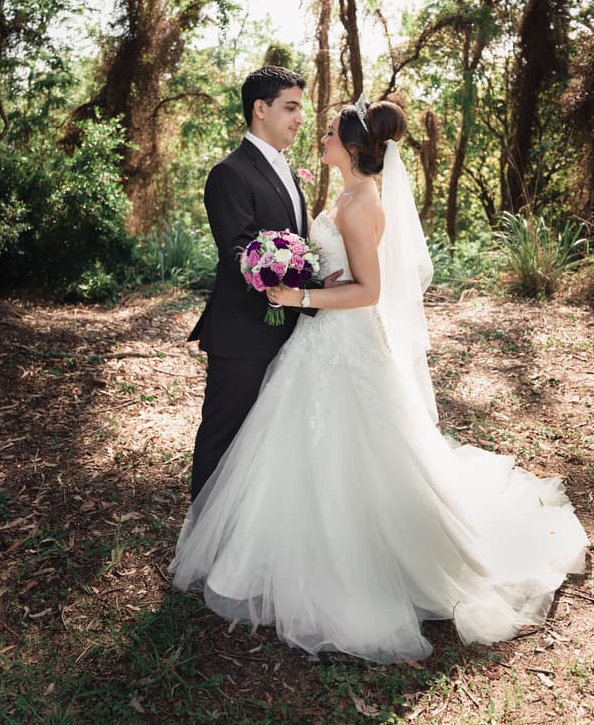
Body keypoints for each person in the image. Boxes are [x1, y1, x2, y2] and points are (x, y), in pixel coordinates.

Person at [171, 97, 587, 663]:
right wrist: (303, 278)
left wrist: (302, 295)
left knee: (353, 452)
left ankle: (354, 565)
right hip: (317, 343)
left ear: (350, 145)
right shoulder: (343, 195)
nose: (319, 139)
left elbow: (368, 290)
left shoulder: (361, 203)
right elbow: (340, 269)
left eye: (328, 134)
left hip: (344, 344)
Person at [188, 65, 343, 501]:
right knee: (224, 436)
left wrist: (320, 286)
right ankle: (204, 540)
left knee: (263, 444)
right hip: (241, 335)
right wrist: (306, 289)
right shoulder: (230, 173)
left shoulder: (287, 172)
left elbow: (297, 240)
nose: (300, 118)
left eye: (301, 108)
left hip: (287, 331)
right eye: (290, 107)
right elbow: (241, 252)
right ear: (260, 108)